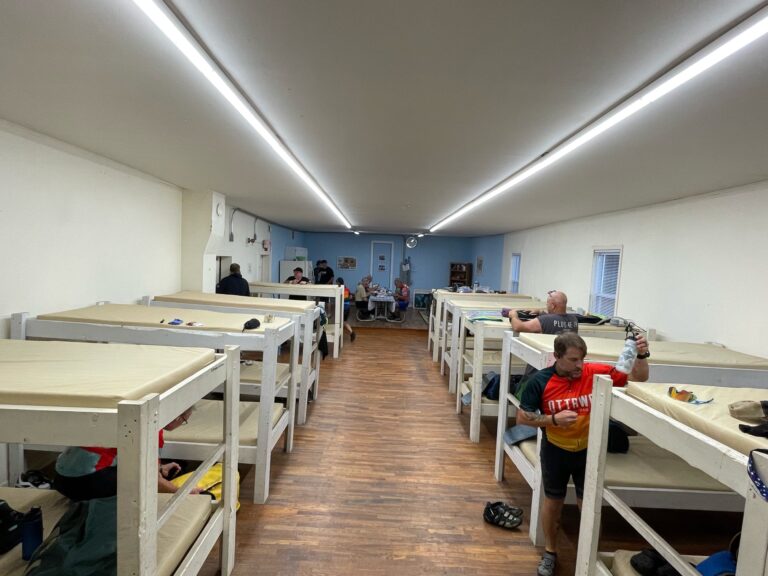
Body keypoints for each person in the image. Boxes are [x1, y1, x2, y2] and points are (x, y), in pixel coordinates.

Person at [517, 331, 650, 576]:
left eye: (582, 359)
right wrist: (553, 419)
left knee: (588, 505)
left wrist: (641, 355)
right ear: (557, 356)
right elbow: (522, 418)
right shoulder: (540, 381)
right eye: (573, 360)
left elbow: (638, 378)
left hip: (588, 450)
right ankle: (550, 552)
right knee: (553, 502)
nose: (580, 365)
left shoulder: (594, 373)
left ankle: (589, 555)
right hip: (555, 449)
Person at [54, 409, 201, 501]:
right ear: (177, 417)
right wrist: (183, 492)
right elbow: (153, 481)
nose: (182, 423)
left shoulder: (129, 415)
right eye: (184, 420)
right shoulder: (152, 429)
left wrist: (160, 467)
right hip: (85, 483)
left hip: (60, 478)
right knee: (142, 483)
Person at [509, 290, 578, 334]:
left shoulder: (545, 320)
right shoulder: (574, 319)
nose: (546, 305)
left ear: (553, 306)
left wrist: (513, 316)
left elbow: (518, 327)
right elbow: (556, 319)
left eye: (547, 303)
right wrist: (540, 312)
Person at [336, 277, 356, 342]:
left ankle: (351, 332)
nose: (336, 284)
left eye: (336, 282)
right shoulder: (347, 289)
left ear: (338, 283)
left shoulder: (340, 289)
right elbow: (350, 297)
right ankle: (350, 332)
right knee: (344, 321)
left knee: (342, 322)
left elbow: (344, 299)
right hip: (348, 307)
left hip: (344, 307)